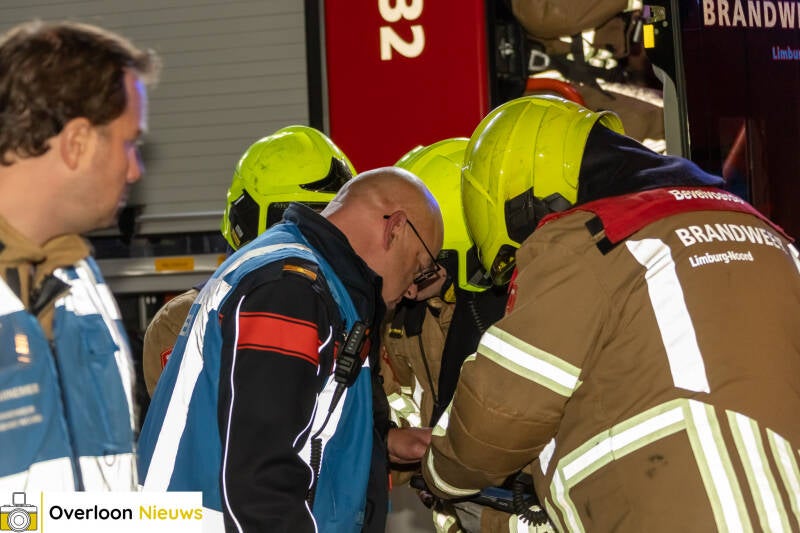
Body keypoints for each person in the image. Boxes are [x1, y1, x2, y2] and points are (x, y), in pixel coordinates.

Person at [423, 94, 800, 532]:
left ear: (518, 204)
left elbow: (502, 414)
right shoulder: (770, 238)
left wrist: (440, 475)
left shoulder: (585, 242)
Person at [138, 167, 443, 532]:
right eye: (420, 266)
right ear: (394, 227)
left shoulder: (309, 280)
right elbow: (260, 477)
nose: (413, 289)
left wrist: (381, 440)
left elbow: (293, 425)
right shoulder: (291, 289)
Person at [0, 20, 158, 490]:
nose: (135, 170)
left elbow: (99, 502)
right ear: (77, 143)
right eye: (129, 144)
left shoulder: (81, 280)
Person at [384, 140, 551, 533]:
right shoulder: (409, 313)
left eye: (422, 267)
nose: (407, 286)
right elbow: (396, 398)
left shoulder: (514, 313)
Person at [142, 124, 356, 397]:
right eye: (297, 223)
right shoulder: (185, 321)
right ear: (245, 221)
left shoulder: (353, 309)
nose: (318, 240)